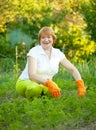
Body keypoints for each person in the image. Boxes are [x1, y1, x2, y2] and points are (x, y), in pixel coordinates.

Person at [16, 26, 86, 100]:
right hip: (26, 81)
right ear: (39, 40)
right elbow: (32, 75)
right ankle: (31, 107)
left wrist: (81, 85)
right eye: (43, 37)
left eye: (49, 37)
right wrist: (49, 84)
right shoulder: (34, 51)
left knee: (55, 94)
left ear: (53, 39)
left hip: (44, 83)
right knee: (35, 89)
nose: (46, 40)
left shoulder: (57, 53)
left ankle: (44, 107)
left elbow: (72, 69)